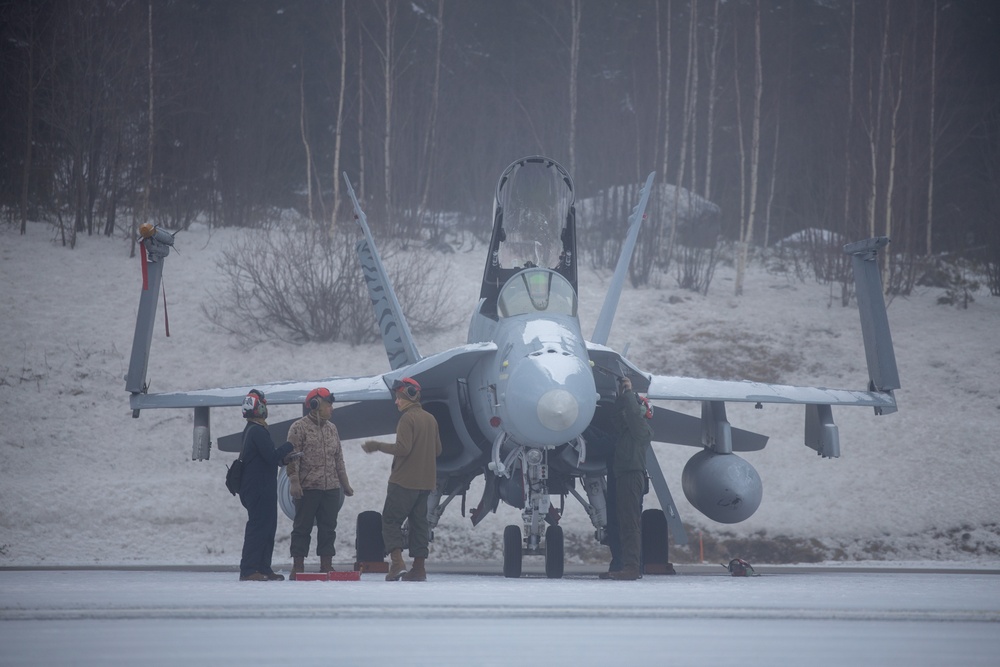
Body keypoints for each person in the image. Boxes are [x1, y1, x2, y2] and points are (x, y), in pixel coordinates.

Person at [362, 377, 441, 581]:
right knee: (419, 524)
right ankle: (419, 569)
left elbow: (403, 449)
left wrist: (377, 445)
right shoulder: (430, 419)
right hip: (426, 484)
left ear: (409, 396)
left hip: (404, 482)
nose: (396, 402)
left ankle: (397, 564)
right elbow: (438, 450)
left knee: (390, 520)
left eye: (398, 398)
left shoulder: (407, 419)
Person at [285, 387, 354, 578]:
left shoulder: (332, 428)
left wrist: (344, 483)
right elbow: (291, 458)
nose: (331, 408)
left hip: (330, 488)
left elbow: (338, 458)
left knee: (328, 528)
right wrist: (294, 482)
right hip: (308, 488)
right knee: (302, 528)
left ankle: (326, 565)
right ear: (315, 405)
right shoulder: (298, 428)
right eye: (328, 404)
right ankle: (298, 566)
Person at [238, 389, 296, 581]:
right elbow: (271, 457)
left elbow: (268, 459)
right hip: (259, 488)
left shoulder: (253, 430)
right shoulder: (257, 431)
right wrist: (289, 445)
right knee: (258, 527)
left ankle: (263, 567)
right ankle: (249, 569)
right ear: (259, 408)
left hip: (260, 487)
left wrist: (285, 459)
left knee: (267, 527)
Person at [600, 376, 653, 581]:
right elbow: (618, 417)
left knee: (630, 523)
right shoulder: (626, 432)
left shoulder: (642, 430)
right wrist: (622, 397)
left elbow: (631, 414)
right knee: (622, 522)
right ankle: (624, 565)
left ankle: (632, 567)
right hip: (623, 476)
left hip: (632, 477)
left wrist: (630, 393)